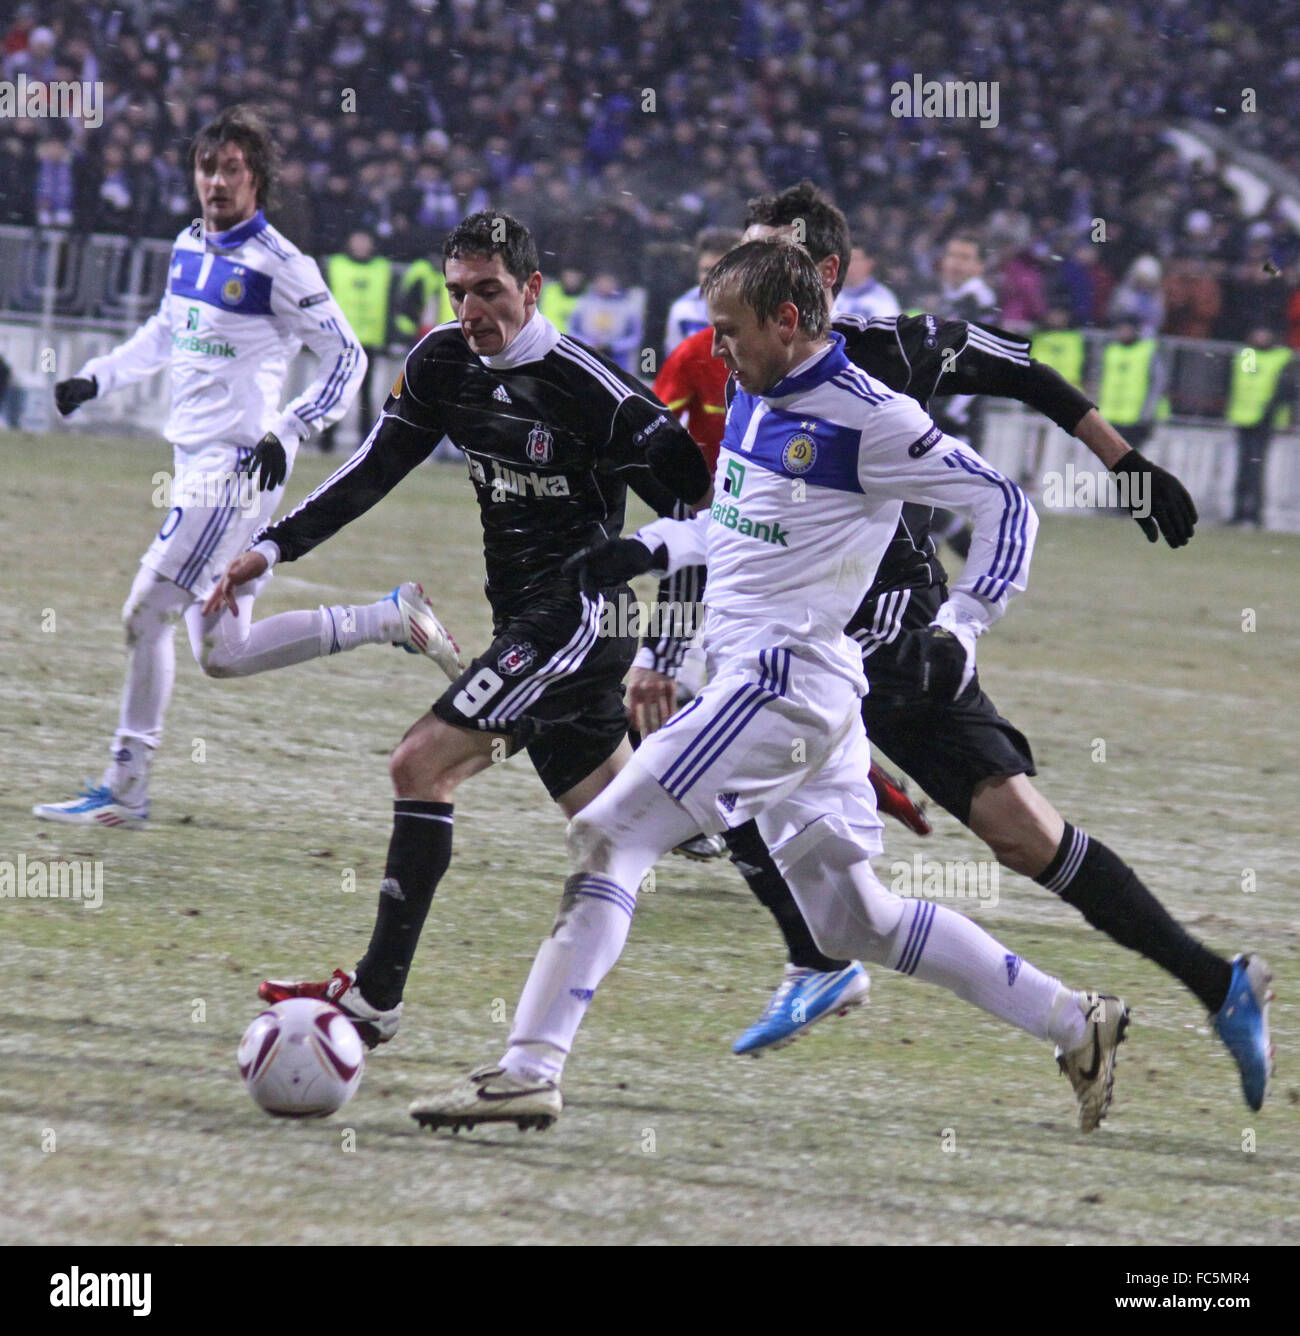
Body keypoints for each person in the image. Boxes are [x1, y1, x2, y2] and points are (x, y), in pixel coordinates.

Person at [408, 239, 1129, 1136]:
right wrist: (650, 549)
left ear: (789, 321)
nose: (718, 351)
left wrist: (963, 625)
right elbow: (743, 520)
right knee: (856, 922)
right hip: (802, 692)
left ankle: (526, 1070)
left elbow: (1005, 505)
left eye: (730, 331)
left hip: (778, 682)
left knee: (607, 836)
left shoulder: (871, 418)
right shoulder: (761, 390)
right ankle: (1075, 1021)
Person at [626, 183, 1271, 1113]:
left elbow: (1029, 377)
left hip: (899, 643)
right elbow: (719, 517)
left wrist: (1123, 462)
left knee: (1022, 836)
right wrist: (663, 635)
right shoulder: (739, 362)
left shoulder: (894, 354)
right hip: (790, 644)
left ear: (823, 274)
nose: (740, 280)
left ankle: (1216, 985)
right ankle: (819, 955)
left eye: (769, 256)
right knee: (718, 782)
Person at [206, 211, 712, 1045]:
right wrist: (271, 546)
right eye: (458, 292)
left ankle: (375, 997)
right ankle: (795, 878)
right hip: (527, 621)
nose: (471, 310)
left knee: (420, 764)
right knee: (618, 832)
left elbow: (698, 519)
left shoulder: (599, 395)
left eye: (489, 291)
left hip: (581, 619)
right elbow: (374, 468)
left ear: (533, 289)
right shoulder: (442, 363)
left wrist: (670, 647)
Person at [34, 106, 456, 829]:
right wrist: (97, 378)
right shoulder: (187, 245)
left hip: (234, 470)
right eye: (207, 167)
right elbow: (165, 331)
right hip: (194, 459)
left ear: (256, 178)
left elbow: (348, 358)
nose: (217, 181)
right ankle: (387, 619)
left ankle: (125, 787)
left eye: (232, 169)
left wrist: (288, 425)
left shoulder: (282, 265)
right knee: (222, 652)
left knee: (147, 611)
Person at [321, 230, 391, 453]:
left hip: (369, 340)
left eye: (365, 240)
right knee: (336, 390)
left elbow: (390, 304)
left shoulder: (382, 268)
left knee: (365, 394)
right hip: (341, 341)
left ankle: (365, 442)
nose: (361, 245)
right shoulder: (335, 265)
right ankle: (326, 442)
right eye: (357, 240)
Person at [1227, 326, 1295, 527]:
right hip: (1244, 417)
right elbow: (1245, 381)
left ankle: (1254, 514)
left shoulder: (1282, 357)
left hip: (1266, 420)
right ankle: (1239, 512)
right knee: (1242, 468)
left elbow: (1286, 389)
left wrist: (1271, 410)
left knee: (1256, 468)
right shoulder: (1247, 355)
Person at [663, 227, 742, 358]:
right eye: (706, 270)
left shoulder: (754, 311)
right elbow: (674, 362)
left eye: (719, 270)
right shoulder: (683, 311)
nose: (711, 278)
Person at [833, 243, 900, 321]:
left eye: (855, 259)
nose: (849, 265)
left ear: (869, 263)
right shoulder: (829, 294)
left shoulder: (882, 298)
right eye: (845, 260)